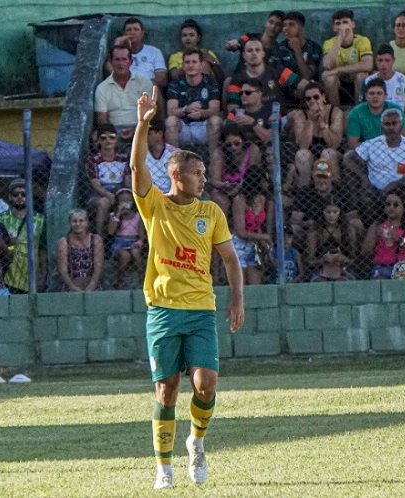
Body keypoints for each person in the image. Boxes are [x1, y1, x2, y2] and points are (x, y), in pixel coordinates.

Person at [130, 90, 244, 490]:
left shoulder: (210, 212)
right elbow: (136, 166)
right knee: (167, 389)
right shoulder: (155, 205)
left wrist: (236, 300)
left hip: (200, 310)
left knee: (206, 383)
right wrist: (143, 123)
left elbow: (230, 259)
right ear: (178, 175)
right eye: (198, 173)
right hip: (162, 309)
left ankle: (196, 441)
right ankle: (163, 467)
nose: (204, 179)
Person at [226, 37, 308, 114]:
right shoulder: (237, 78)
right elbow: (232, 107)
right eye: (250, 50)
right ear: (244, 55)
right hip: (249, 121)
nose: (254, 53)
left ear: (263, 54)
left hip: (277, 119)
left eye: (257, 50)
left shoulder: (279, 71)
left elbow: (304, 85)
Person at [166, 49, 222, 155]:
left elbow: (215, 109)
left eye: (194, 62)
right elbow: (170, 111)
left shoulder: (210, 81)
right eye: (187, 62)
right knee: (170, 121)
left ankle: (213, 160)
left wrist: (201, 113)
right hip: (184, 128)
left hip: (204, 128)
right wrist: (186, 109)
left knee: (216, 120)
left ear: (201, 65)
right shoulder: (176, 83)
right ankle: (175, 164)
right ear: (183, 65)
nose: (190, 65)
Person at [361, 189, 405, 279]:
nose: (391, 207)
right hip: (383, 268)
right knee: (379, 280)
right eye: (388, 204)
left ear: (404, 206)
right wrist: (375, 235)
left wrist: (399, 240)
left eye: (396, 205)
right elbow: (365, 252)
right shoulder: (377, 225)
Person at [360, 44, 405, 141]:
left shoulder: (403, 79)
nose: (383, 64)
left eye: (387, 60)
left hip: (399, 119)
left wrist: (404, 116)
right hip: (376, 119)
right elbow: (361, 107)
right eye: (380, 60)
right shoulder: (368, 81)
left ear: (393, 61)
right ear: (376, 61)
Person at [0, 179, 47, 294]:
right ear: (9, 197)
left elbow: (42, 249)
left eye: (24, 194)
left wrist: (43, 277)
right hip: (7, 276)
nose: (19, 197)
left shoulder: (40, 219)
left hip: (31, 276)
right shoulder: (0, 219)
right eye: (15, 194)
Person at [290, 81, 344, 188]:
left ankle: (333, 189)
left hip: (331, 154)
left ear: (323, 97)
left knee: (327, 153)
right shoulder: (301, 115)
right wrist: (310, 121)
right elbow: (303, 146)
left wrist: (322, 124)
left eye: (316, 97)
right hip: (310, 154)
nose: (312, 101)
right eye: (308, 99)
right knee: (302, 155)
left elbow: (334, 144)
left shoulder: (335, 112)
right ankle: (305, 191)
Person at [95, 45, 153, 143]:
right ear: (111, 62)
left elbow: (149, 114)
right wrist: (113, 134)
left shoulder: (144, 82)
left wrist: (136, 130)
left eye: (124, 59)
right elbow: (102, 119)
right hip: (113, 132)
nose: (120, 63)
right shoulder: (102, 88)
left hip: (141, 128)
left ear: (131, 62)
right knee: (96, 136)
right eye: (117, 59)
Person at [85, 123, 131, 238]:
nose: (108, 140)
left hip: (120, 190)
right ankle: (100, 239)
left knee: (125, 199)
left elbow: (127, 181)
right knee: (104, 202)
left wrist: (123, 194)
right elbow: (95, 184)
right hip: (99, 194)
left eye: (111, 137)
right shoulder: (93, 160)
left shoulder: (124, 158)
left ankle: (125, 237)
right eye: (103, 138)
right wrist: (108, 195)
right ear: (98, 141)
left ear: (116, 140)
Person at [321, 9, 373, 106]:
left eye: (345, 22)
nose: (342, 26)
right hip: (338, 82)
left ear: (352, 24)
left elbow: (368, 65)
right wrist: (340, 38)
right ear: (334, 28)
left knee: (362, 75)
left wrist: (337, 70)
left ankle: (359, 109)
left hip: (355, 79)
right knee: (329, 78)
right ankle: (335, 111)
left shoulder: (362, 40)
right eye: (338, 23)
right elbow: (327, 65)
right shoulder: (329, 43)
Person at [231, 168, 274, 285]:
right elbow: (241, 232)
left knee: (256, 284)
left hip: (254, 245)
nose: (267, 182)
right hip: (239, 246)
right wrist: (263, 237)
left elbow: (256, 225)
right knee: (240, 285)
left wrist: (263, 243)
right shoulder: (239, 200)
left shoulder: (262, 199)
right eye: (265, 180)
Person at [209, 125, 260, 217]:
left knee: (240, 199)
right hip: (224, 189)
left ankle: (241, 230)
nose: (233, 147)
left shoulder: (252, 150)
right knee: (221, 200)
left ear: (243, 140)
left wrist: (238, 188)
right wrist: (225, 185)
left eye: (237, 143)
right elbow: (214, 180)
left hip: (246, 188)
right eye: (229, 145)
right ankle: (221, 229)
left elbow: (253, 175)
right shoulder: (219, 153)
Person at [346, 78, 405, 149]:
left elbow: (404, 138)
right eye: (371, 93)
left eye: (379, 93)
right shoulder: (356, 113)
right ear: (366, 96)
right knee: (348, 156)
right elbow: (353, 144)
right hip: (367, 152)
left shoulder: (396, 110)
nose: (375, 96)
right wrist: (377, 150)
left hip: (393, 149)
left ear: (385, 96)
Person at [306, 201, 358, 282]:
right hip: (320, 268)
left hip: (343, 267)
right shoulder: (315, 231)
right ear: (322, 212)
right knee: (319, 281)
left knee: (343, 281)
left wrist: (343, 259)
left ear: (340, 212)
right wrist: (322, 260)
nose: (331, 215)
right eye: (328, 212)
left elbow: (355, 259)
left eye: (335, 212)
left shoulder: (348, 229)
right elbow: (310, 261)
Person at [57, 209, 104, 292]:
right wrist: (73, 288)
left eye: (81, 221)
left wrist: (91, 286)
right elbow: (62, 270)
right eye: (74, 221)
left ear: (87, 223)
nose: (78, 224)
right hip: (72, 282)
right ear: (70, 223)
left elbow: (98, 267)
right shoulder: (64, 242)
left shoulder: (96, 239)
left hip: (92, 282)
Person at [107, 188, 146, 289]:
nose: (125, 203)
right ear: (118, 202)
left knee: (135, 252)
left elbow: (141, 236)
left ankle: (142, 276)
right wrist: (118, 213)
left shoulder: (138, 216)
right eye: (122, 201)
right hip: (119, 243)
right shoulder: (114, 215)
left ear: (133, 202)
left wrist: (138, 243)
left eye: (128, 200)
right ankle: (120, 278)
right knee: (125, 255)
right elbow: (111, 232)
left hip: (133, 242)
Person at [269, 11, 321, 82]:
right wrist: (296, 83)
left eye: (291, 25)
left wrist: (297, 51)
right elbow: (278, 74)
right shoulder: (278, 48)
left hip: (309, 88)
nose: (286, 28)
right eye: (284, 25)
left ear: (301, 28)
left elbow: (307, 76)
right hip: (286, 87)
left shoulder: (314, 47)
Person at [168, 19, 224, 84]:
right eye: (184, 35)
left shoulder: (207, 53)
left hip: (206, 89)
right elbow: (174, 76)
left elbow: (221, 78)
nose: (188, 38)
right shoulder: (175, 56)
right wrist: (191, 65)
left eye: (191, 35)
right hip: (183, 89)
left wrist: (210, 59)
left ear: (198, 38)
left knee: (205, 65)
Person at [224, 78, 273, 145]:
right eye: (241, 93)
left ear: (259, 93)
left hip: (265, 149)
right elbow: (229, 139)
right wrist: (236, 127)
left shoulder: (271, 112)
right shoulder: (234, 113)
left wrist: (252, 123)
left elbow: (270, 138)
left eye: (248, 92)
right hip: (242, 150)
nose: (243, 95)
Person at [144, 119, 180, 193]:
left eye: (148, 133)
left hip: (172, 194)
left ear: (160, 133)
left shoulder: (175, 154)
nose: (144, 137)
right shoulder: (140, 154)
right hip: (148, 195)